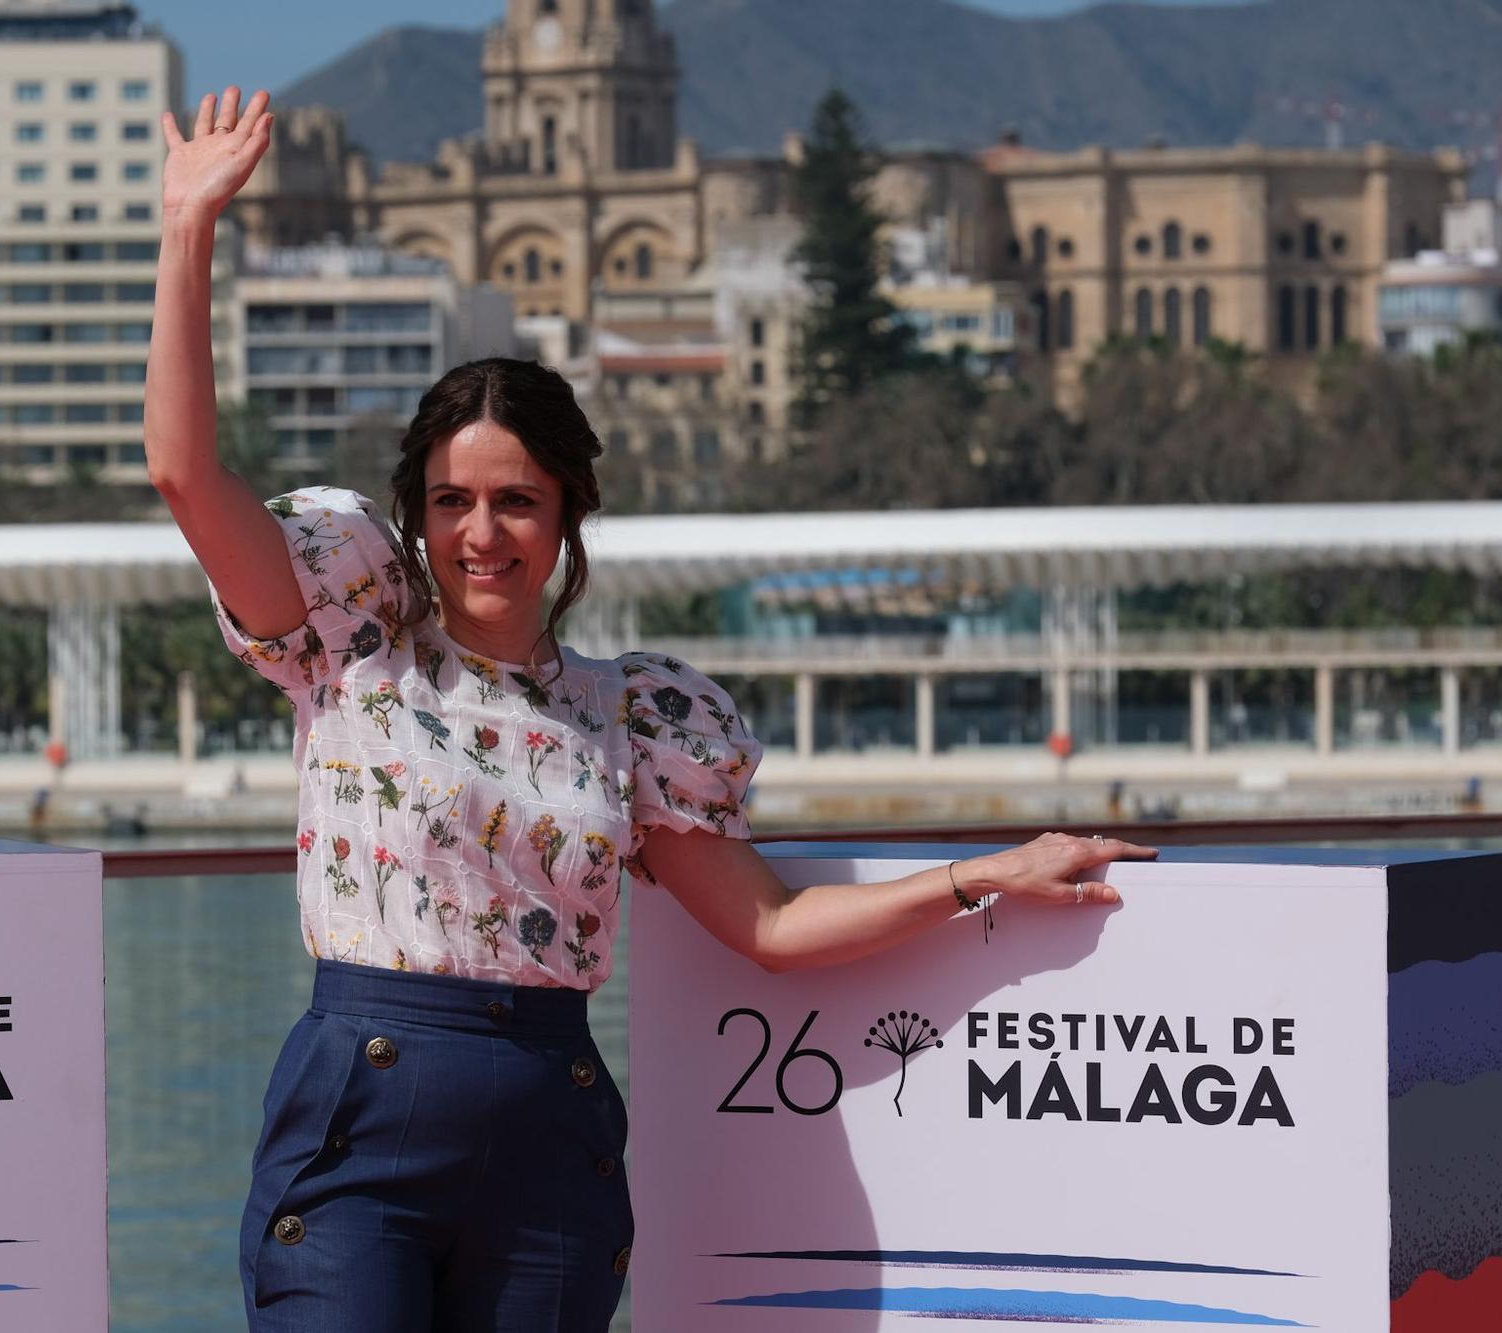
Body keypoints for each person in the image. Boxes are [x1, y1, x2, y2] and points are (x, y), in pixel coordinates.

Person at [149, 86, 1158, 1333]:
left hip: (548, 1145)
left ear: (566, 514)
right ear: (413, 512)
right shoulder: (347, 639)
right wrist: (188, 227)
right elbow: (185, 475)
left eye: (515, 500)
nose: (481, 533)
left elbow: (773, 927)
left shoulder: (634, 719)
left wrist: (993, 872)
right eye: (453, 501)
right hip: (356, 1128)